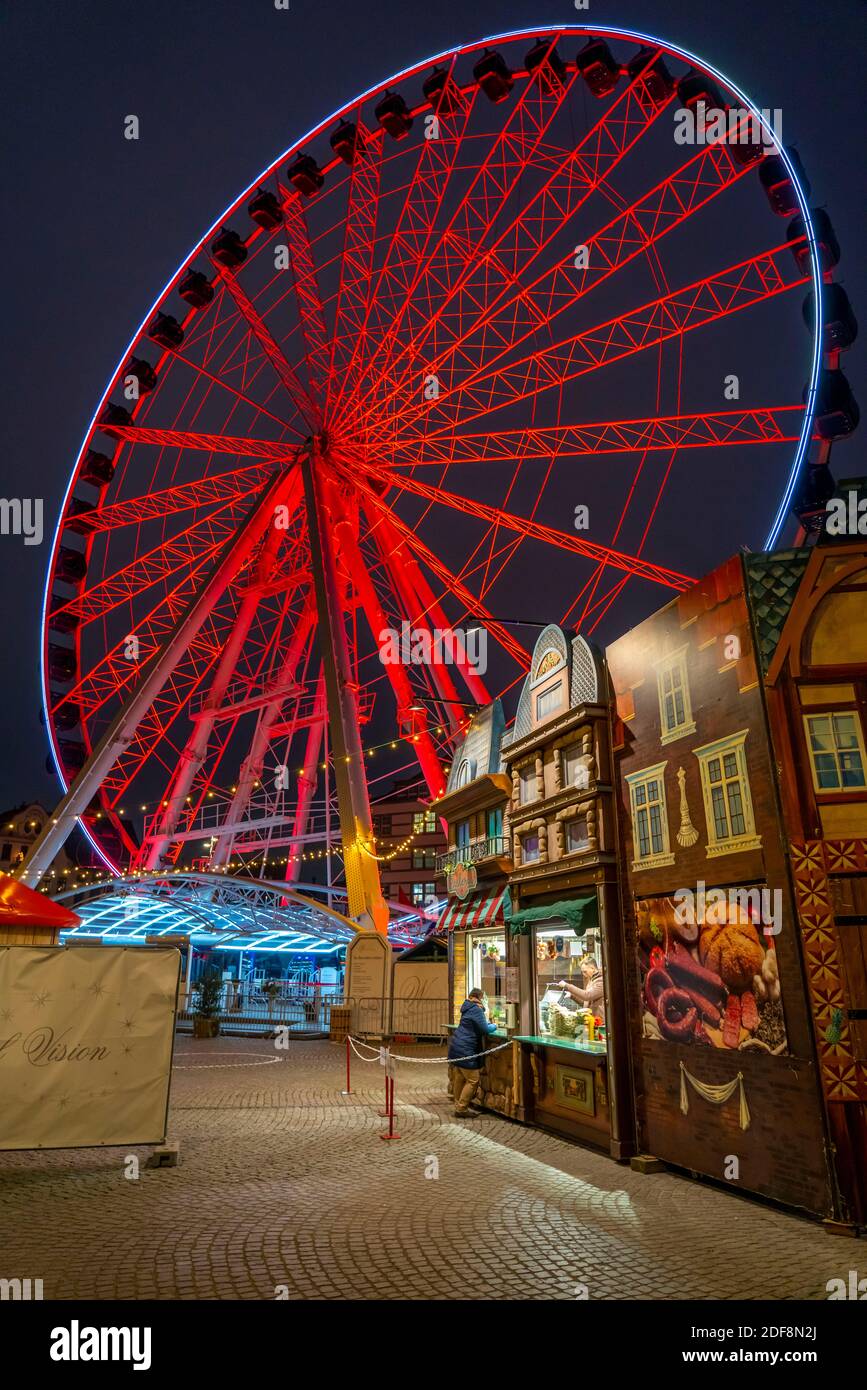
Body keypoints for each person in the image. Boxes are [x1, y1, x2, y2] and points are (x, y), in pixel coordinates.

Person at [447, 988, 498, 1117]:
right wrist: (495, 1026)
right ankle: (462, 1108)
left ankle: (458, 1105)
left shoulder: (467, 1007)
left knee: (459, 1077)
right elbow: (485, 1029)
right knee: (473, 1079)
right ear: (479, 998)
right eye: (483, 998)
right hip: (466, 1048)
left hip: (457, 1045)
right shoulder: (476, 1009)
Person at [557, 954, 605, 1025]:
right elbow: (585, 1002)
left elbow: (587, 996)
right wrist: (572, 996)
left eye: (585, 971)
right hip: (591, 1022)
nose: (583, 974)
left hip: (599, 1023)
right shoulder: (591, 981)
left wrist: (567, 986)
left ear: (593, 968)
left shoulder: (601, 981)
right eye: (582, 972)